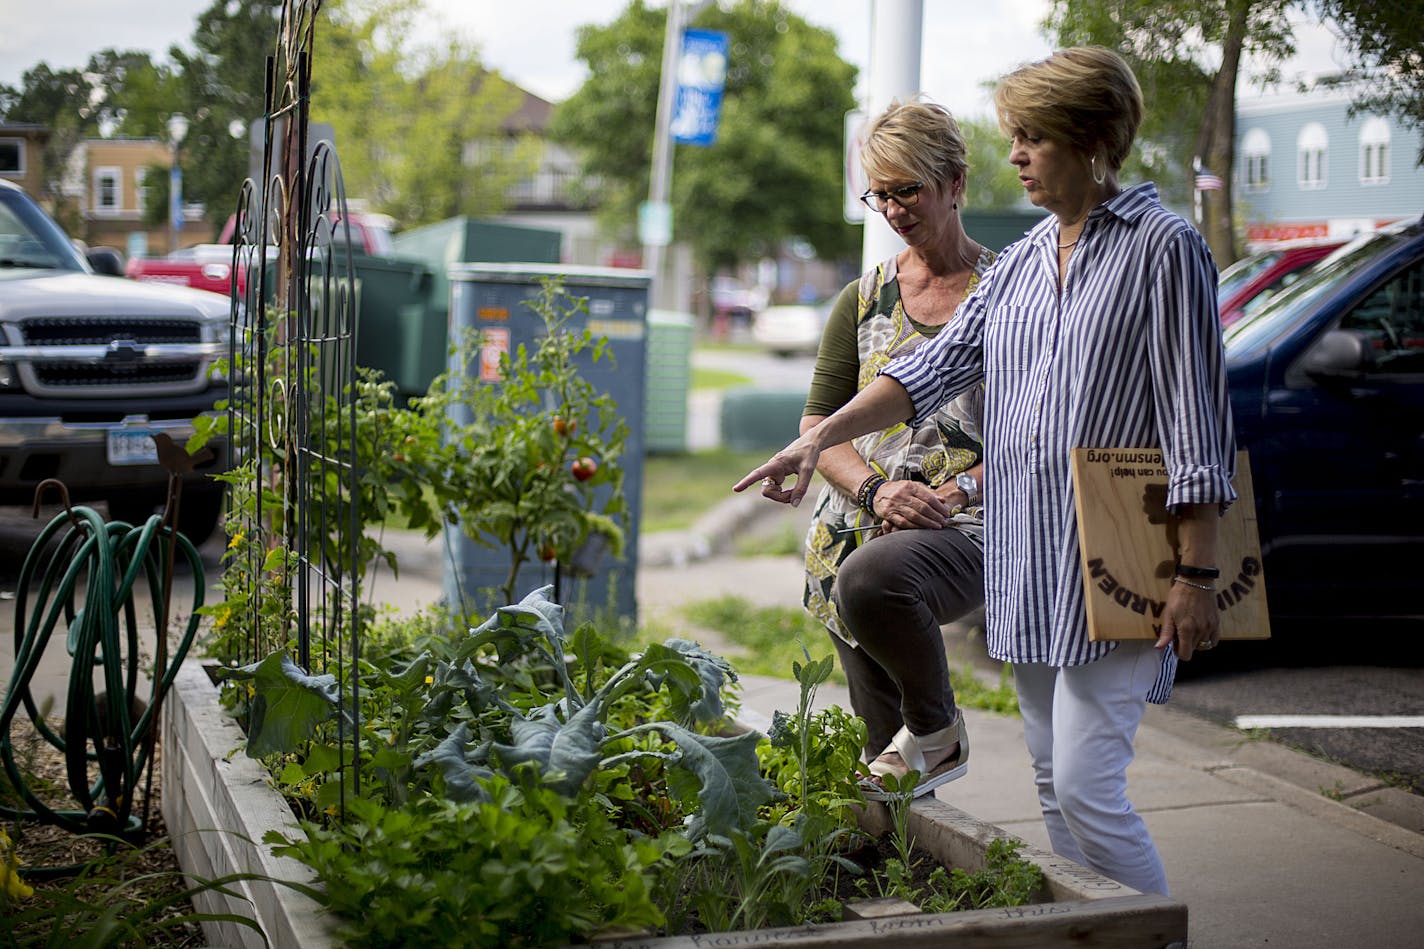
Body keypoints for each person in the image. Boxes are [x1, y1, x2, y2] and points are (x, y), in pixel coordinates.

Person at [735, 47, 1236, 897]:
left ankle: (1147, 928)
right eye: (1014, 135)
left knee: (1088, 785)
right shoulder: (1033, 257)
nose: (1016, 155)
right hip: (1027, 561)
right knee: (1050, 782)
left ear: (1094, 138)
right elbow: (924, 374)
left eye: (1033, 137)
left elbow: (1197, 424)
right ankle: (1086, 924)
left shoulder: (1164, 247)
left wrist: (1197, 571)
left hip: (1118, 556)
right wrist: (816, 442)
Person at [799, 99, 992, 802]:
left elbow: (1043, 431)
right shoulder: (864, 298)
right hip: (855, 529)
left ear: (955, 182)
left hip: (966, 526)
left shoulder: (1010, 293)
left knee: (883, 582)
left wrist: (960, 490)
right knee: (887, 752)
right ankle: (903, 866)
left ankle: (938, 738)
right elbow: (820, 427)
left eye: (907, 188)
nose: (892, 208)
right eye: (878, 193)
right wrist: (877, 491)